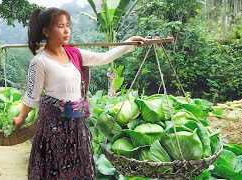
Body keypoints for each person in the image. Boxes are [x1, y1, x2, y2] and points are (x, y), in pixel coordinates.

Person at [12, 7, 147, 180]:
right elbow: (32, 97)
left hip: (75, 125)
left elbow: (103, 58)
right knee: (55, 169)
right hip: (52, 127)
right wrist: (21, 118)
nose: (66, 30)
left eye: (67, 25)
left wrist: (129, 43)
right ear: (46, 31)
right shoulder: (39, 62)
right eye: (60, 26)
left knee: (76, 167)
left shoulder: (74, 53)